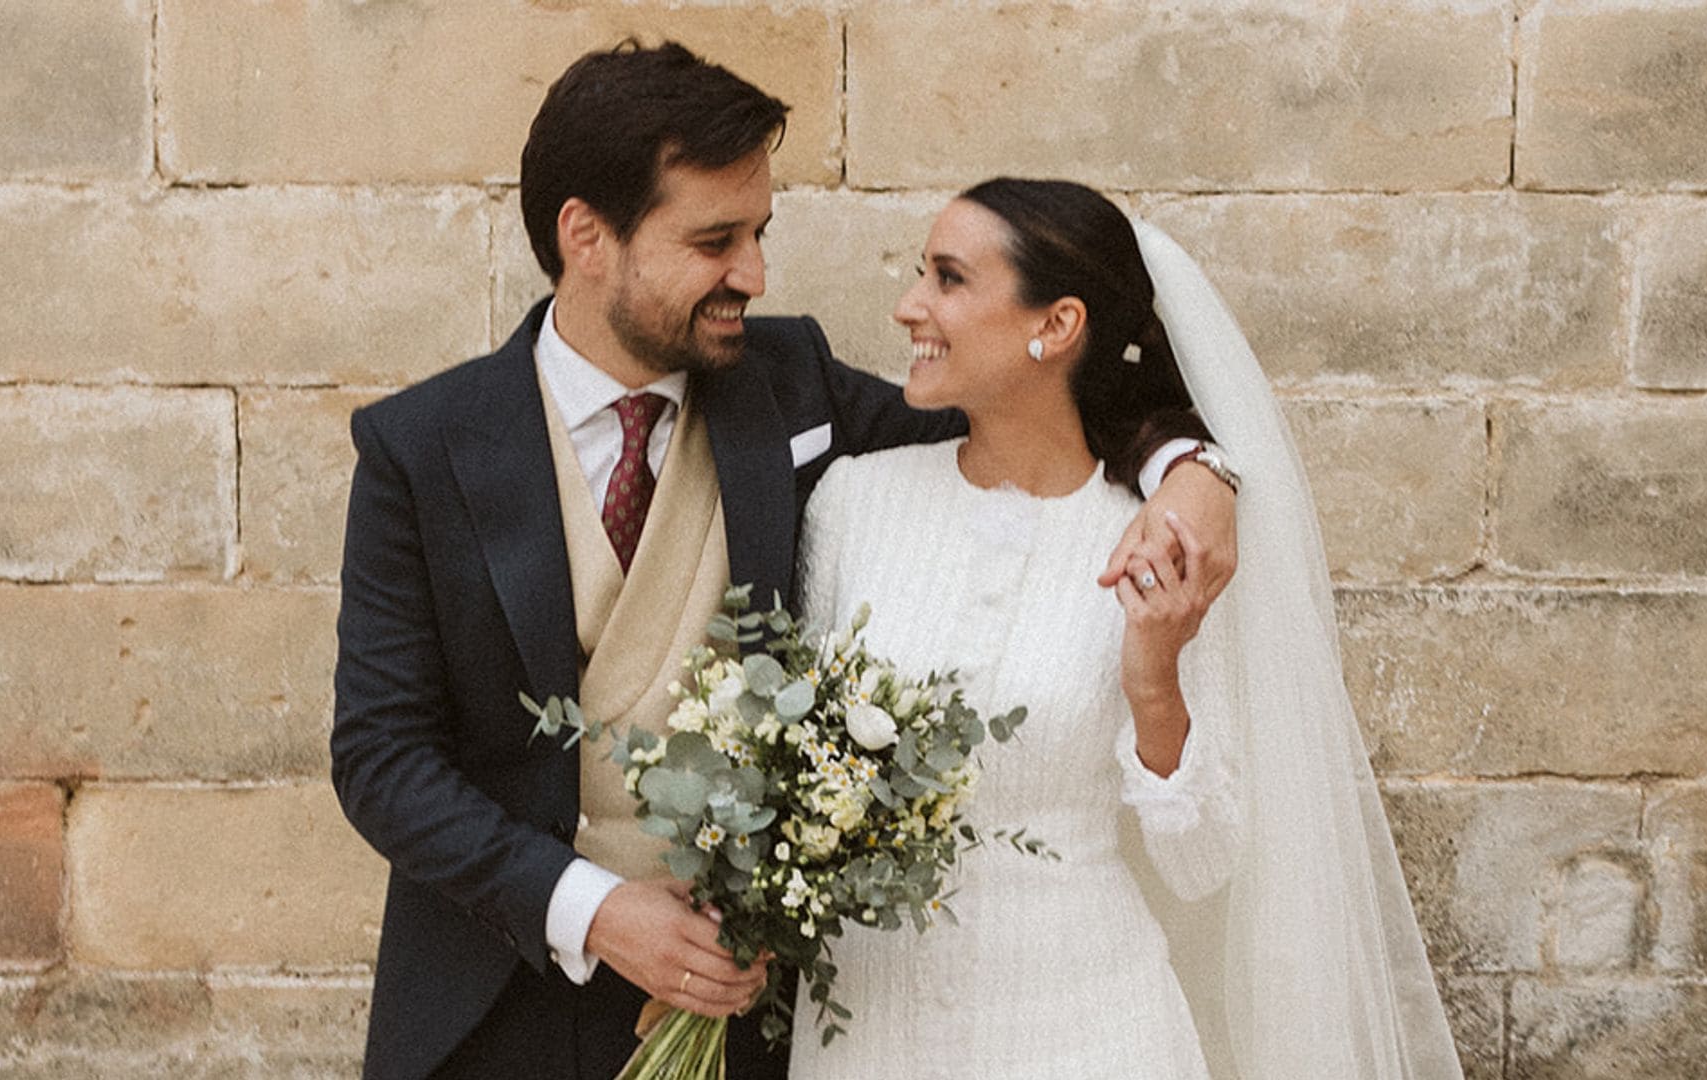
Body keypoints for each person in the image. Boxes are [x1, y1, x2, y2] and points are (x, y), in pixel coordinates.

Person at [329, 44, 1240, 1080]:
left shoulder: (790, 383)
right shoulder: (421, 446)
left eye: (758, 234)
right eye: (715, 241)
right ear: (586, 236)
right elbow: (381, 758)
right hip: (496, 1004)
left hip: (748, 1012)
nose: (753, 276)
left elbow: (1035, 410)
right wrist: (592, 908)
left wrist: (1193, 469)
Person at [790, 179, 1465, 1079]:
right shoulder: (853, 503)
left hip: (1086, 1031)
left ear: (1057, 325)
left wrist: (1155, 681)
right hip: (865, 1035)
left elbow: (1201, 863)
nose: (910, 305)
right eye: (922, 274)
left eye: (949, 279)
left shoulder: (1161, 540)